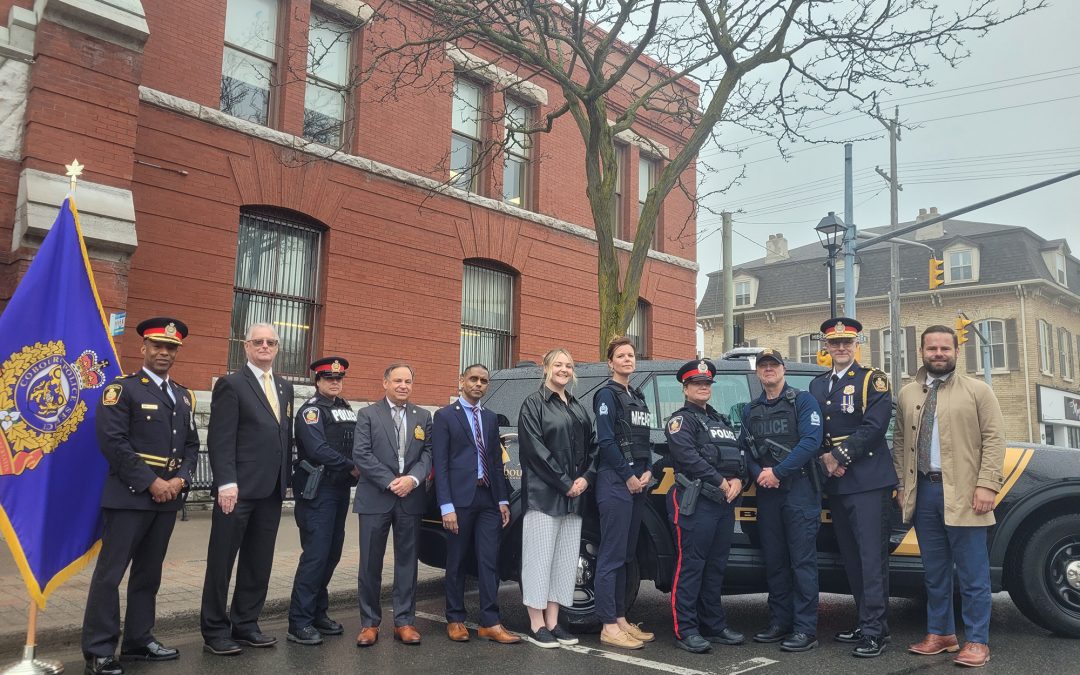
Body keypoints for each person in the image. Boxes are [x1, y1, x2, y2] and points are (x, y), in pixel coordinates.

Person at [82, 318, 198, 675]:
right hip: (129, 498)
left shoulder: (182, 394)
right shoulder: (123, 389)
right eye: (158, 346)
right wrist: (152, 483)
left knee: (149, 573)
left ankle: (138, 640)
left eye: (171, 348)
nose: (164, 353)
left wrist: (179, 480)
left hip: (167, 500)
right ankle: (100, 650)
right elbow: (113, 443)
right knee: (110, 575)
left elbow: (191, 445)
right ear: (143, 348)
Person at [893, 325, 1005, 668]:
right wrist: (901, 485)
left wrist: (988, 484)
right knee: (934, 571)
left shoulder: (978, 391)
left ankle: (976, 641)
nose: (938, 353)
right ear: (922, 352)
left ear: (956, 351)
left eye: (945, 348)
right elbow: (900, 444)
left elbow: (995, 439)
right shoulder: (908, 393)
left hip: (966, 492)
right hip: (923, 491)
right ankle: (940, 633)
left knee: (973, 574)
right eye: (932, 348)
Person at [200, 323, 294, 656]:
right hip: (236, 491)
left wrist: (287, 480)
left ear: (278, 347)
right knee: (222, 562)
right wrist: (226, 482)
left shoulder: (284, 387)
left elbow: (284, 436)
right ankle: (214, 630)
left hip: (270, 491)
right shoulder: (231, 384)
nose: (265, 346)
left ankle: (246, 624)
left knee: (258, 561)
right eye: (259, 342)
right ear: (246, 346)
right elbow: (220, 438)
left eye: (271, 342)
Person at [808, 317, 896, 658]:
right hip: (837, 483)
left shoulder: (872, 380)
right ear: (826, 347)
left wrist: (839, 456)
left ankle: (876, 631)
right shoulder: (817, 386)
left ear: (856, 345)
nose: (841, 348)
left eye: (847, 342)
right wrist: (825, 459)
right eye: (834, 343)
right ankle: (866, 621)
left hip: (868, 480)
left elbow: (875, 426)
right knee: (852, 559)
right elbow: (813, 430)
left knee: (871, 558)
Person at [740, 349, 823, 653]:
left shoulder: (802, 401)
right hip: (768, 493)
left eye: (773, 365)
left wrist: (777, 472)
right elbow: (746, 450)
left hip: (799, 489)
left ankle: (805, 629)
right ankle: (779, 622)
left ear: (783, 369)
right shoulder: (751, 410)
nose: (768, 370)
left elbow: (811, 442)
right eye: (763, 366)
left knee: (802, 562)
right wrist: (761, 475)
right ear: (758, 373)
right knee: (774, 560)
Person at [432, 364, 519, 644]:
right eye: (473, 379)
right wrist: (446, 506)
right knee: (456, 560)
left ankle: (489, 621)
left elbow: (495, 461)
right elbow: (441, 465)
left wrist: (503, 499)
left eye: (483, 380)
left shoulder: (491, 418)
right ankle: (455, 618)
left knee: (489, 561)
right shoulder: (445, 416)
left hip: (488, 499)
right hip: (459, 501)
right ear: (461, 381)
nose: (478, 384)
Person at [517, 348, 597, 648]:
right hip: (544, 496)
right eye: (558, 364)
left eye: (569, 365)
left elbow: (593, 447)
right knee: (539, 560)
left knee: (564, 561)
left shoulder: (576, 406)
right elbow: (535, 451)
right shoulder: (533, 404)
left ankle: (553, 621)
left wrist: (586, 478)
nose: (564, 369)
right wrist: (566, 483)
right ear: (546, 367)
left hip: (574, 497)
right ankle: (536, 624)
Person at [665, 359, 745, 654]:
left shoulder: (721, 421)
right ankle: (685, 629)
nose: (703, 387)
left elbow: (737, 455)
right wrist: (722, 482)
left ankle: (713, 624)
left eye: (707, 383)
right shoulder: (681, 421)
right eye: (697, 383)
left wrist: (739, 479)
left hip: (723, 504)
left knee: (715, 567)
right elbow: (688, 457)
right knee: (691, 566)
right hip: (696, 502)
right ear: (685, 388)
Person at [352, 363, 432, 647]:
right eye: (397, 380)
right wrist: (391, 481)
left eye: (408, 381)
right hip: (376, 497)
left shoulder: (423, 416)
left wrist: (412, 479)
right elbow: (361, 454)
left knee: (407, 564)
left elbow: (428, 454)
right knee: (370, 564)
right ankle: (369, 623)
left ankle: (404, 622)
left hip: (410, 498)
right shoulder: (367, 415)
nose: (403, 386)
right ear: (384, 382)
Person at [286, 357, 360, 646]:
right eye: (329, 378)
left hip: (339, 490)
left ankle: (318, 613)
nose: (334, 382)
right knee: (315, 556)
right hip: (317, 492)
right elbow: (317, 449)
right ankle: (298, 622)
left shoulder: (344, 409)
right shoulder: (312, 412)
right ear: (317, 381)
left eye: (339, 378)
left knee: (331, 554)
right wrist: (352, 465)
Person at [592, 337, 655, 650]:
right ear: (610, 362)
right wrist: (629, 475)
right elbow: (606, 442)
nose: (628, 359)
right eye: (621, 355)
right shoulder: (607, 394)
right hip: (616, 483)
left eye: (631, 354)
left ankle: (620, 619)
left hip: (636, 483)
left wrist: (647, 471)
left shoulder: (637, 394)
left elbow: (642, 441)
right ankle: (607, 625)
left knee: (626, 557)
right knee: (611, 556)